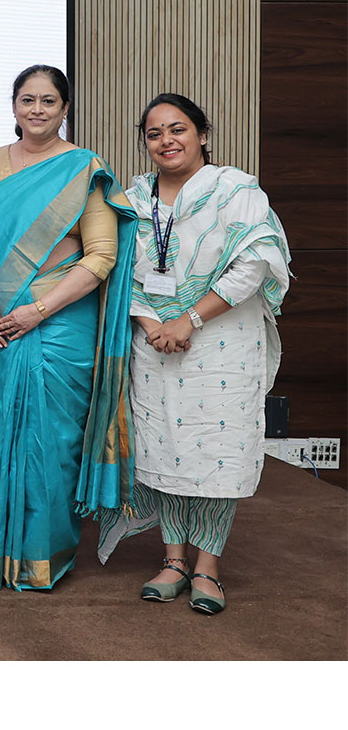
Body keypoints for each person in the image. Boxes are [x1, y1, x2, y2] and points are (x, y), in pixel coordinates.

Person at [0, 65, 135, 591]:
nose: (38, 110)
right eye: (28, 100)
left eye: (49, 101)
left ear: (65, 108)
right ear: (14, 106)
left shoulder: (84, 168)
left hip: (57, 326)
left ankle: (40, 556)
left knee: (50, 442)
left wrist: (38, 310)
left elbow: (101, 257)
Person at [97, 93, 290, 615]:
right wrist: (153, 323)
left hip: (221, 341)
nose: (167, 141)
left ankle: (208, 566)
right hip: (155, 341)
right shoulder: (133, 200)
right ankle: (173, 559)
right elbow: (117, 271)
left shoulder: (236, 190)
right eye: (155, 133)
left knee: (216, 451)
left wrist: (190, 318)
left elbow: (254, 264)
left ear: (202, 134)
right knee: (164, 446)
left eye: (178, 129)